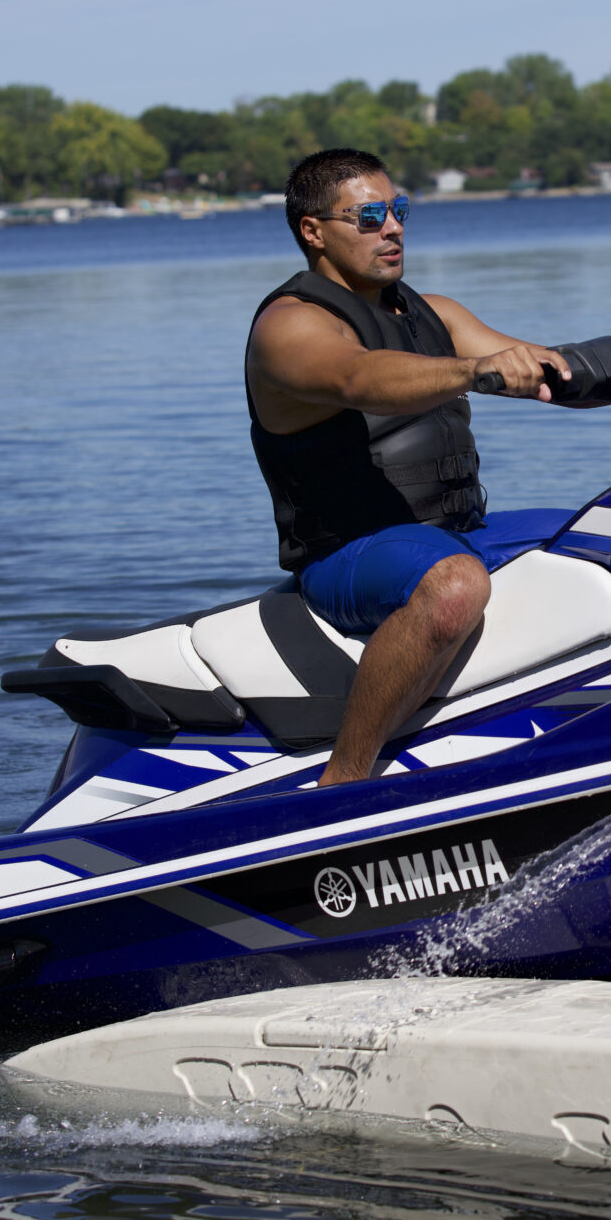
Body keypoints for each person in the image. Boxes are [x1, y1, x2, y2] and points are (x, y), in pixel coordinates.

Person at [244, 148, 574, 786]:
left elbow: (545, 367)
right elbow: (358, 377)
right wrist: (475, 371)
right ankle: (344, 780)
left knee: (609, 535)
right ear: (314, 231)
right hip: (348, 552)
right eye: (369, 217)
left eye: (398, 211)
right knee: (455, 586)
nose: (393, 228)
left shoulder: (434, 314)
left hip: (460, 531)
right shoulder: (288, 327)